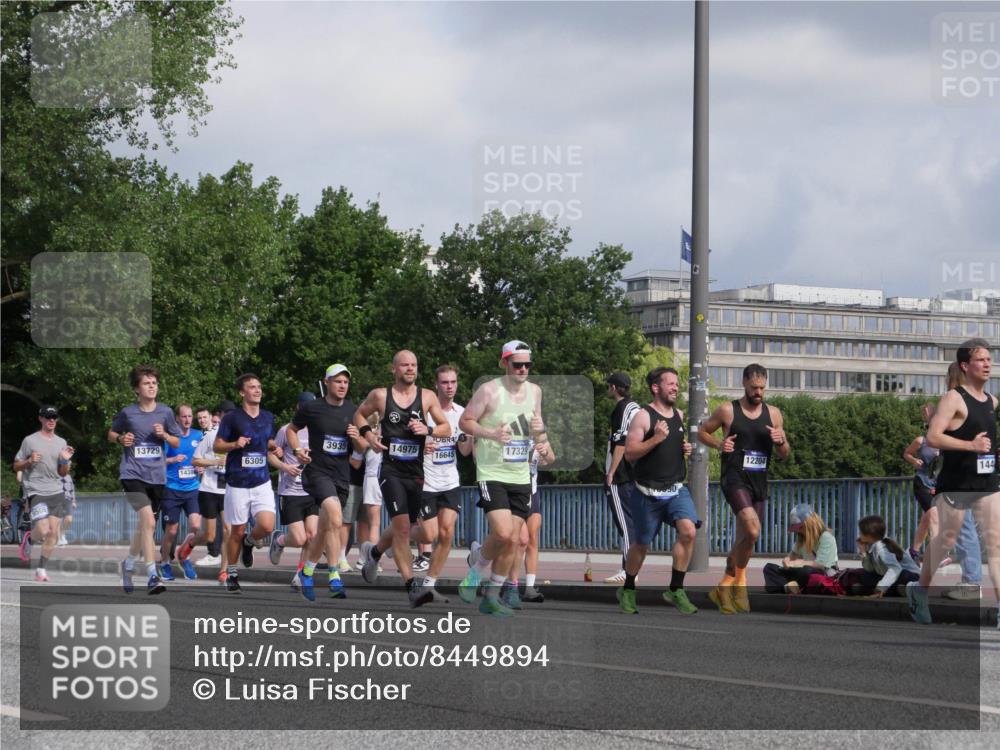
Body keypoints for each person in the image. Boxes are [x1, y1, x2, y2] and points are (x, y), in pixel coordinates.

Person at [907, 340, 998, 625]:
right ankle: (919, 590)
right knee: (945, 540)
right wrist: (970, 445)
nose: (987, 364)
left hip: (987, 483)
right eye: (981, 360)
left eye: (989, 359)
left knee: (996, 544)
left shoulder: (992, 401)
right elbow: (933, 437)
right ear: (965, 366)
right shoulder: (953, 399)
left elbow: (986, 440)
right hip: (956, 484)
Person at [355, 351, 451, 608]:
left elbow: (446, 428)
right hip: (391, 472)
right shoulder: (381, 395)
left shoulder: (427, 396)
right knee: (403, 529)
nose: (410, 369)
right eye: (405, 365)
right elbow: (359, 415)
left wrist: (428, 429)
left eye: (414, 365)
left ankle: (374, 552)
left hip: (417, 473)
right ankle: (412, 587)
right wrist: (369, 436)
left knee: (424, 531)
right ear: (394, 369)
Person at [458, 340, 547, 616]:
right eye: (517, 364)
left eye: (527, 364)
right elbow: (465, 421)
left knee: (515, 540)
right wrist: (491, 434)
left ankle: (492, 597)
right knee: (503, 532)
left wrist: (542, 438)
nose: (523, 369)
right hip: (492, 472)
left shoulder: (535, 392)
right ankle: (474, 574)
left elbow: (537, 428)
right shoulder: (489, 390)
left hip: (520, 475)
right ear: (504, 363)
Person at [698, 363, 790, 614]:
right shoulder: (728, 410)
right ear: (744, 384)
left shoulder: (774, 414)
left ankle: (729, 584)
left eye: (762, 388)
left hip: (759, 480)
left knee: (749, 537)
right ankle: (737, 583)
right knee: (752, 527)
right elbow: (702, 432)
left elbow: (784, 453)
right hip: (734, 477)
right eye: (753, 387)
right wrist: (720, 444)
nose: (758, 392)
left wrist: (781, 441)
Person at [616, 367, 699, 614]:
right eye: (670, 383)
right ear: (656, 387)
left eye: (676, 383)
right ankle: (628, 589)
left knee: (688, 531)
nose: (675, 387)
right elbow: (629, 453)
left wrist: (683, 449)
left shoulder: (679, 415)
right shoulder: (643, 416)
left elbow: (672, 446)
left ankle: (676, 589)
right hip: (647, 493)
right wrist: (656, 438)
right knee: (641, 544)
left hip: (675, 489)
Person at [287, 365, 364, 601]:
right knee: (335, 516)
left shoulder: (353, 410)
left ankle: (307, 572)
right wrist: (298, 450)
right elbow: (291, 429)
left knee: (325, 527)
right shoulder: (313, 408)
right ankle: (334, 576)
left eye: (346, 382)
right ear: (327, 382)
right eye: (338, 381)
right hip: (317, 472)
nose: (342, 386)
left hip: (341, 475)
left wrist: (356, 438)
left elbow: (362, 448)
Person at [108, 366, 182, 594]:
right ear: (136, 389)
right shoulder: (128, 413)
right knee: (149, 522)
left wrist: (165, 435)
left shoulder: (166, 412)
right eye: (146, 383)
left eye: (154, 383)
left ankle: (128, 564)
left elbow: (177, 441)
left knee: (145, 526)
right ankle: (152, 575)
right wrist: (121, 439)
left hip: (157, 477)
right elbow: (111, 434)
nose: (152, 386)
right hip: (132, 474)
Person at [214, 374, 280, 594]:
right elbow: (218, 445)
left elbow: (267, 440)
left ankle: (249, 542)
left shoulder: (268, 417)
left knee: (267, 526)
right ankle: (232, 574)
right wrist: (235, 444)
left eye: (259, 386)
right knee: (237, 530)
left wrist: (274, 447)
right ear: (242, 392)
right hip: (238, 483)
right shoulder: (232, 418)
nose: (257, 390)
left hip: (261, 481)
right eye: (252, 387)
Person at [418, 365, 474, 602]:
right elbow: (409, 444)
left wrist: (470, 436)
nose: (450, 387)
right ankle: (396, 537)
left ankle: (429, 584)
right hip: (426, 481)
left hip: (450, 481)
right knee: (428, 534)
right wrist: (422, 446)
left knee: (447, 533)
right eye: (444, 382)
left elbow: (464, 451)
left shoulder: (461, 413)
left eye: (453, 382)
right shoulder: (425, 413)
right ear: (436, 385)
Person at [12, 406, 75, 582]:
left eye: (54, 417)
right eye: (48, 417)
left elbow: (63, 473)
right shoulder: (30, 440)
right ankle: (29, 540)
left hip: (56, 491)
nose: (51, 420)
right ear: (41, 418)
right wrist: (28, 461)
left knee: (53, 533)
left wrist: (65, 461)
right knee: (43, 529)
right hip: (36, 490)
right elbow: (16, 466)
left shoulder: (61, 442)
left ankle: (41, 569)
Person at [269, 392, 320, 590]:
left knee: (312, 535)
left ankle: (300, 575)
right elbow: (270, 455)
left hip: (312, 491)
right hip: (291, 491)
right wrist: (285, 467)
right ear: (298, 408)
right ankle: (280, 540)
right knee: (299, 539)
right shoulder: (286, 430)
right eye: (305, 407)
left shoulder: (319, 429)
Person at [187, 400, 236, 573]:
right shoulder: (210, 435)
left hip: (228, 489)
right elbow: (195, 460)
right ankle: (189, 544)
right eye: (226, 415)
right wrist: (214, 462)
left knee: (228, 529)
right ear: (220, 416)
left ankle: (224, 571)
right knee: (210, 536)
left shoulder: (238, 437)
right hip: (209, 489)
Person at [603, 372, 640, 585]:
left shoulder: (622, 409)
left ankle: (628, 571)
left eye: (609, 386)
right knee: (632, 522)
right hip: (635, 474)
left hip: (621, 475)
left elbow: (620, 442)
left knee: (626, 525)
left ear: (614, 388)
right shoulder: (636, 408)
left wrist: (611, 472)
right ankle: (630, 569)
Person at [159, 404, 203, 581]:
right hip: (172, 489)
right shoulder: (170, 438)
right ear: (177, 418)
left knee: (196, 526)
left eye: (190, 416)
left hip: (192, 488)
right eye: (184, 416)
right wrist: (172, 459)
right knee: (171, 531)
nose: (187, 420)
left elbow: (204, 457)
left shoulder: (198, 435)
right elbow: (158, 460)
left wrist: (201, 467)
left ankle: (184, 555)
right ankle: (164, 563)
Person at [762, 504, 839, 594]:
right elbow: (792, 556)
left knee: (806, 571)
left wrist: (798, 563)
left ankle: (781, 586)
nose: (798, 531)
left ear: (810, 523)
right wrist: (787, 560)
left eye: (800, 527)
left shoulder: (826, 537)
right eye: (797, 528)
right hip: (802, 575)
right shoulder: (802, 538)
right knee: (769, 568)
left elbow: (821, 565)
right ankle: (788, 587)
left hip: (821, 573)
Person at [904, 403, 942, 562]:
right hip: (922, 482)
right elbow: (906, 453)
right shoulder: (921, 441)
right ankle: (938, 554)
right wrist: (913, 460)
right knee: (934, 516)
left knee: (926, 519)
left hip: (938, 485)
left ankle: (913, 551)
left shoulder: (945, 443)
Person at [851, 515, 920, 597]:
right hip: (891, 577)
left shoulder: (882, 549)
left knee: (903, 575)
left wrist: (881, 588)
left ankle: (901, 590)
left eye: (861, 532)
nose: (859, 535)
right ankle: (897, 590)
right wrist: (863, 552)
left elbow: (895, 569)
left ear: (869, 535)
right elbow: (870, 569)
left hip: (910, 577)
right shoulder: (872, 545)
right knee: (864, 575)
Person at [522, 440, 555, 603]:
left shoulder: (539, 435)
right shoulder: (510, 431)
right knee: (512, 540)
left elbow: (551, 458)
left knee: (532, 537)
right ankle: (480, 556)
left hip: (532, 491)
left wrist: (545, 453)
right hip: (512, 491)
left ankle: (529, 587)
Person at [58, 473, 76, 547]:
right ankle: (59, 538)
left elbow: (72, 489)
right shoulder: (54, 474)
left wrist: (73, 500)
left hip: (68, 499)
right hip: (57, 499)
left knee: (69, 519)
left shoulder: (68, 476)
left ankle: (62, 534)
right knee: (58, 519)